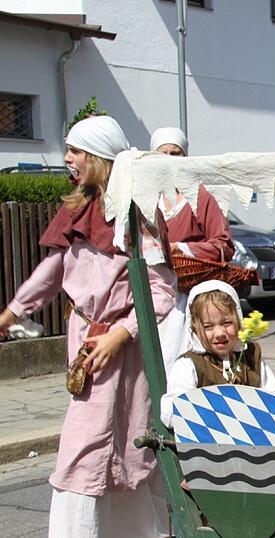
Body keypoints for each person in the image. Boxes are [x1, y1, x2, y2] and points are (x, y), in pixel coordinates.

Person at [0, 116, 177, 537]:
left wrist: (122, 333)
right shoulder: (77, 206)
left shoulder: (138, 212)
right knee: (89, 449)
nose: (67, 158)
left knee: (125, 446)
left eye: (76, 150)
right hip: (88, 344)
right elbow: (54, 268)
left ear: (97, 157)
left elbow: (162, 289)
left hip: (123, 350)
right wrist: (11, 313)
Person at [150, 127, 236, 377]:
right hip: (153, 292)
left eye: (175, 153)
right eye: (163, 153)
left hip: (186, 295)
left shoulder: (200, 196)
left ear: (185, 157)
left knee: (181, 360)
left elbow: (224, 244)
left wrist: (183, 248)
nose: (169, 158)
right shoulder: (146, 198)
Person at [160, 280, 275, 428]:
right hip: (206, 445)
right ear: (195, 329)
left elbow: (273, 399)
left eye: (227, 323)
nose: (219, 333)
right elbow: (171, 412)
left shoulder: (252, 356)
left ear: (238, 320)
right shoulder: (189, 365)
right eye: (208, 327)